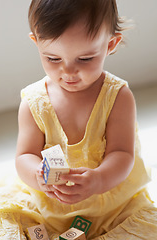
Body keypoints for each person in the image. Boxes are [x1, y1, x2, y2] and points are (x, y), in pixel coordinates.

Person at [15, 0, 157, 239]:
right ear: (36, 43)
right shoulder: (33, 102)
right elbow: (24, 156)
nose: (68, 72)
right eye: (53, 58)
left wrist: (99, 179)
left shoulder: (118, 97)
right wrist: (38, 176)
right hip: (49, 204)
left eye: (85, 59)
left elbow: (123, 154)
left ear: (110, 44)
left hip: (108, 203)